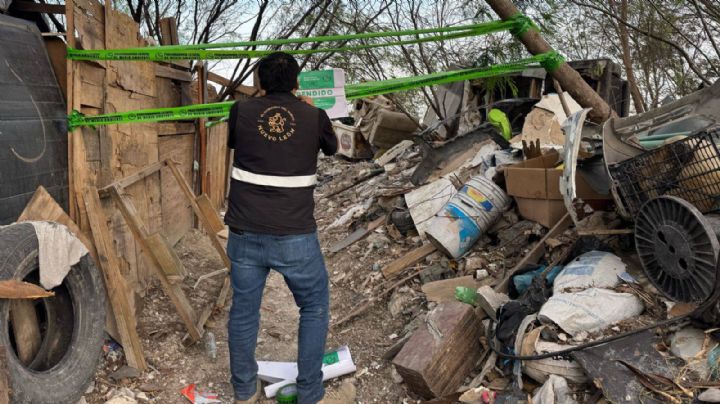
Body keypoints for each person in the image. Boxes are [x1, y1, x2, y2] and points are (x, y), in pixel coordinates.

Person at [225, 52, 348, 404]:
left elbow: (236, 141)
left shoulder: (241, 111)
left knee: (244, 311)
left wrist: (261, 103)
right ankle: (310, 392)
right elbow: (333, 146)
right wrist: (308, 108)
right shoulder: (313, 115)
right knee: (314, 306)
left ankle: (244, 392)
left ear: (260, 83)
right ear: (297, 82)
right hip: (295, 234)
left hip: (245, 231)